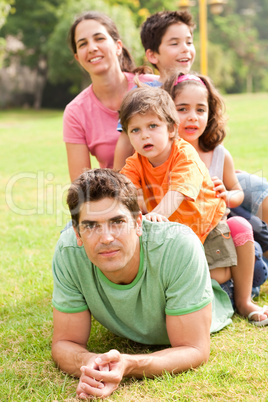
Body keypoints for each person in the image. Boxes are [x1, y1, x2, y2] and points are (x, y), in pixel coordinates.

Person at [52, 168, 233, 399]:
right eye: (91, 226)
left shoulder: (179, 246)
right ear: (77, 232)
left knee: (252, 270)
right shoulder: (68, 250)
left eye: (117, 221)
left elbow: (193, 348)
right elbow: (65, 343)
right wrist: (92, 363)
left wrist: (129, 364)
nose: (106, 238)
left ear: (139, 222)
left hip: (214, 290)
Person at [120, 84, 268, 325]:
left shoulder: (184, 154)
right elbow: (122, 186)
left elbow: (178, 190)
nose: (144, 135)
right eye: (135, 130)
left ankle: (243, 300)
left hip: (206, 227)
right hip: (175, 232)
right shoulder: (136, 162)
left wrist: (157, 213)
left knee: (237, 234)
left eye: (152, 126)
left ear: (171, 129)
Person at [163, 72, 268, 291]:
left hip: (218, 232)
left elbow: (237, 191)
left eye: (200, 109)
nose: (193, 116)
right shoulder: (163, 155)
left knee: (257, 265)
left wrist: (227, 196)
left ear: (209, 114)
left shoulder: (218, 154)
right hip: (183, 236)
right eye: (182, 109)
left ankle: (238, 283)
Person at [64, 11, 158, 182]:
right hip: (121, 200)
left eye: (99, 38)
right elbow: (81, 187)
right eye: (83, 44)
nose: (92, 48)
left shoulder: (153, 86)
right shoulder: (75, 112)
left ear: (118, 47)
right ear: (78, 58)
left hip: (173, 193)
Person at [113, 10, 196, 170]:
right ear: (152, 55)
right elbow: (124, 140)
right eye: (174, 43)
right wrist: (117, 183)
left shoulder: (196, 88)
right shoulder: (144, 94)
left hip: (198, 173)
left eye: (189, 42)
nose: (185, 49)